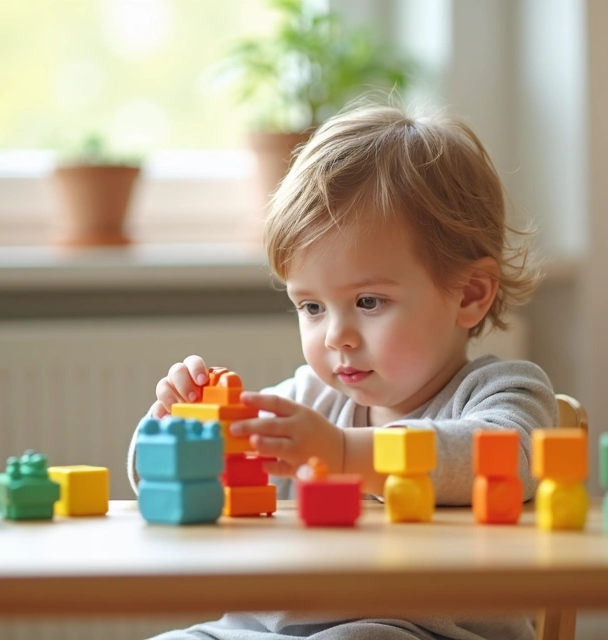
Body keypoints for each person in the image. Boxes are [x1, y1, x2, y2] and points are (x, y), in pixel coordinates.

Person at [126, 102, 557, 640]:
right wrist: (176, 431)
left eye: (369, 302)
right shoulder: (310, 399)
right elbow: (191, 488)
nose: (336, 336)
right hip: (261, 629)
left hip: (413, 631)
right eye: (311, 307)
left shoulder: (505, 392)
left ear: (468, 294)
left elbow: (503, 461)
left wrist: (344, 454)